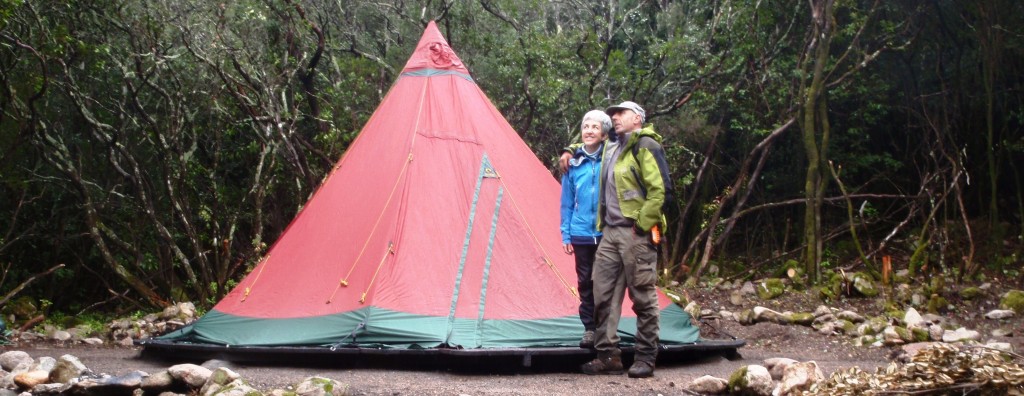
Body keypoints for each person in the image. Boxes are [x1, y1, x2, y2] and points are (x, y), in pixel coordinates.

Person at [573, 101, 671, 378]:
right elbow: (589, 140)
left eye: (621, 114)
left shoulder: (646, 146)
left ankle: (645, 356)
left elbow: (660, 191)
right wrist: (569, 150)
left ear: (637, 118)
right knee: (601, 292)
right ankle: (607, 356)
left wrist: (641, 224)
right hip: (610, 232)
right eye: (612, 115)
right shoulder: (612, 146)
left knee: (642, 295)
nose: (614, 117)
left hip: (635, 231)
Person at [560, 110, 612, 349]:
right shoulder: (573, 163)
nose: (589, 130)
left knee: (604, 281)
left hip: (605, 232)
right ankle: (589, 328)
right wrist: (565, 233)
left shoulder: (611, 159)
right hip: (580, 232)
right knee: (584, 282)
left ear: (603, 133)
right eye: (586, 126)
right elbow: (567, 202)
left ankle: (606, 328)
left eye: (595, 127)